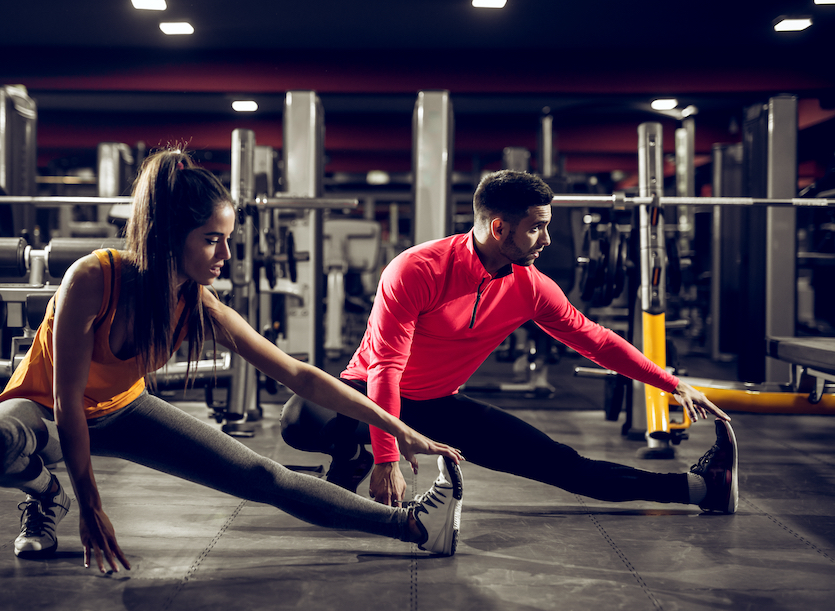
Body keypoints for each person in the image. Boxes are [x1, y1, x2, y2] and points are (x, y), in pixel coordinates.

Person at [0, 147, 465, 574]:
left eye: (228, 238)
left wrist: (397, 429)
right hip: (48, 413)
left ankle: (416, 526)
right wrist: (90, 505)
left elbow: (299, 376)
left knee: (263, 477)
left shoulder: (199, 303)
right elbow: (67, 400)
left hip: (123, 410)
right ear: (167, 235)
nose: (226, 252)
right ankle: (46, 494)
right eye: (211, 239)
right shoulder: (93, 278)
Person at [281, 169, 738, 515]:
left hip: (439, 402)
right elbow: (385, 370)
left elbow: (595, 340)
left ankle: (700, 488)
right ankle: (353, 451)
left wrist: (669, 383)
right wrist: (386, 457)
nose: (546, 238)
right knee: (301, 416)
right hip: (369, 392)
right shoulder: (417, 269)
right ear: (499, 228)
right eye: (537, 227)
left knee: (563, 464)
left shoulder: (530, 285)